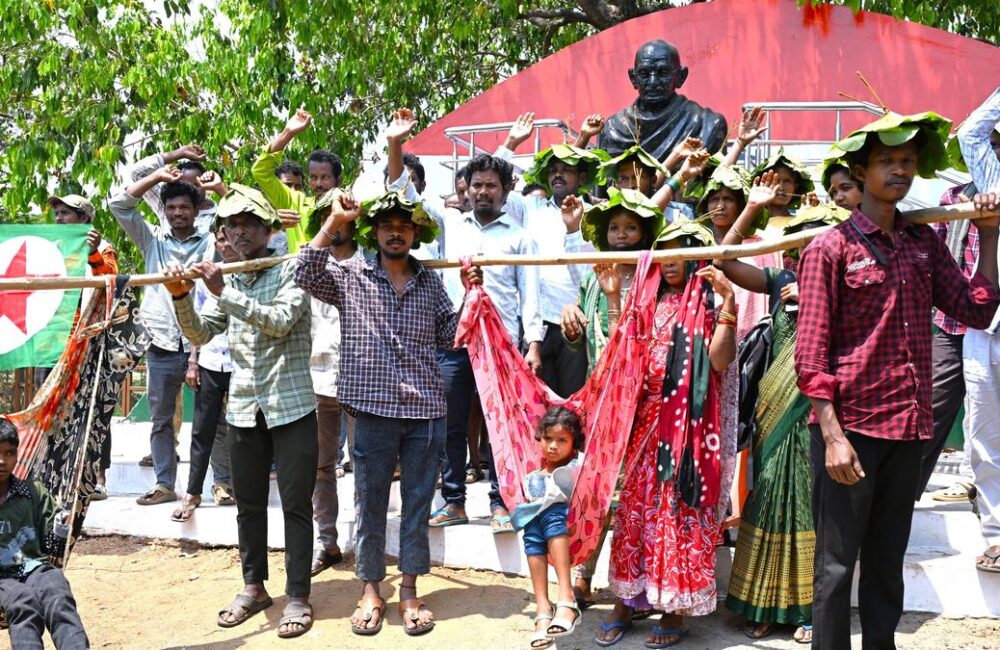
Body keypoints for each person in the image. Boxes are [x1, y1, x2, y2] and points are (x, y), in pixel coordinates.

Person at [795, 110, 1000, 650]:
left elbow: (975, 310)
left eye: (907, 161)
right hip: (852, 434)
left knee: (888, 564)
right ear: (860, 173)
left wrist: (990, 238)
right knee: (837, 570)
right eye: (887, 161)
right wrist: (833, 436)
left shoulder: (923, 243)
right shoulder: (830, 249)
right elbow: (811, 358)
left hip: (907, 431)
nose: (900, 170)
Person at [295, 189, 455, 637]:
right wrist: (334, 219)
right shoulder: (348, 276)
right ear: (375, 232)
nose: (396, 232)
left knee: (418, 504)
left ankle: (408, 589)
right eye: (387, 225)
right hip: (371, 410)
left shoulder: (431, 283)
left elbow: (449, 337)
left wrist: (476, 288)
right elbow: (303, 272)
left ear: (415, 233)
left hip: (426, 409)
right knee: (370, 505)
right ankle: (370, 589)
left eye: (405, 226)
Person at [165, 184, 316, 639]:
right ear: (224, 236)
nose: (240, 234)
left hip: (292, 408)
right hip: (245, 409)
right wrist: (180, 296)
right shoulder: (227, 279)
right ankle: (254, 587)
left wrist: (221, 291)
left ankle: (298, 595)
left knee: (295, 507)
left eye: (249, 225)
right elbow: (199, 334)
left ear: (269, 231)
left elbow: (278, 322)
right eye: (232, 227)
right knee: (248, 507)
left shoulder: (290, 270)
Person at [716, 173, 849, 644]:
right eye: (798, 245)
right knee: (769, 493)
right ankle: (763, 601)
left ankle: (811, 608)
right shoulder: (781, 280)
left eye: (815, 242)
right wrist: (751, 208)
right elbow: (726, 260)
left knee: (814, 507)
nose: (805, 253)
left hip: (820, 410)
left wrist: (818, 299)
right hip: (776, 407)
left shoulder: (851, 280)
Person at [601, 217, 737, 648]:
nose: (671, 260)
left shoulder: (709, 306)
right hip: (644, 425)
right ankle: (626, 601)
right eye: (665, 250)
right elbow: (622, 354)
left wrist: (729, 301)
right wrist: (612, 299)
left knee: (675, 515)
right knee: (635, 515)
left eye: (682, 250)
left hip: (687, 430)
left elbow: (717, 363)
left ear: (697, 258)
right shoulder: (647, 303)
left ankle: (673, 609)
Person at [110, 166, 214, 507]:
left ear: (196, 210)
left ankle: (223, 483)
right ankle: (164, 483)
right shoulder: (152, 243)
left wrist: (221, 188)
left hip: (207, 340)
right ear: (165, 211)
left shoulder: (212, 240)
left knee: (217, 417)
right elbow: (119, 206)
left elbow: (239, 215)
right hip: (163, 344)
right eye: (171, 208)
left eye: (184, 207)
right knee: (161, 420)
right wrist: (157, 179)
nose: (178, 213)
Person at [920, 118, 1000, 505]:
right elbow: (936, 256)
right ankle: (902, 494)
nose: (996, 154)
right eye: (993, 146)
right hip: (955, 322)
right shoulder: (955, 198)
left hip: (992, 323)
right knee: (931, 409)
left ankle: (984, 505)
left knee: (988, 421)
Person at [300, 191, 364, 577]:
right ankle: (327, 543)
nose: (337, 222)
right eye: (329, 216)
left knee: (364, 463)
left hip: (361, 377)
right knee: (320, 466)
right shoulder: (310, 262)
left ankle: (366, 545)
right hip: (316, 375)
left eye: (342, 216)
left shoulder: (370, 263)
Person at [41, 193, 119, 501]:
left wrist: (90, 255)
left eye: (66, 213)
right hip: (53, 343)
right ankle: (50, 470)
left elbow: (112, 282)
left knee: (93, 409)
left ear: (85, 219)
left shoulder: (103, 247)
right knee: (49, 406)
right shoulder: (48, 249)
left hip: (88, 342)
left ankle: (97, 477)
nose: (59, 218)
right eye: (57, 213)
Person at [956, 87, 1000, 574]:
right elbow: (971, 131)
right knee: (984, 438)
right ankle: (997, 537)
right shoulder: (994, 177)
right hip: (986, 325)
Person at [169, 228, 240, 523]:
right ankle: (192, 493)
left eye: (230, 238)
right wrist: (193, 362)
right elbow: (197, 325)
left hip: (241, 366)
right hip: (211, 361)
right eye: (221, 240)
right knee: (202, 430)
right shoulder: (203, 279)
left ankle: (236, 487)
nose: (226, 245)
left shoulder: (251, 274)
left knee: (242, 430)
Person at [0, 417, 89, 650]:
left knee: (57, 590)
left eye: (9, 453)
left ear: (18, 455)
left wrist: (60, 529)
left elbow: (51, 546)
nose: (2, 460)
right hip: (1, 579)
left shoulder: (32, 492)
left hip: (33, 568)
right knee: (23, 601)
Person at [512, 406, 585, 649]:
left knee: (552, 515)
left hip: (568, 526)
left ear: (574, 443)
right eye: (548, 439)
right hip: (540, 530)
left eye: (561, 440)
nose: (553, 445)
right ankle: (542, 606)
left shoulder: (577, 467)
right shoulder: (533, 476)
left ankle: (567, 599)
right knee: (531, 529)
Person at [599, 40, 727, 159]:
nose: (653, 82)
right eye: (644, 74)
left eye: (663, 72)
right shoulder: (614, 129)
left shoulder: (706, 124)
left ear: (681, 77)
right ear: (633, 78)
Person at [252, 107, 343, 252]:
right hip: (302, 273)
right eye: (313, 178)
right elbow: (260, 171)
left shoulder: (348, 207)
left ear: (339, 181)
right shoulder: (295, 203)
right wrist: (288, 133)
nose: (318, 184)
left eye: (325, 177)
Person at [130, 144, 226, 231]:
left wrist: (220, 188)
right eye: (186, 185)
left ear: (206, 184)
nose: (192, 190)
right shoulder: (165, 204)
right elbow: (137, 173)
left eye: (197, 184)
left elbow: (240, 220)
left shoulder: (219, 213)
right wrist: (180, 153)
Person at [751, 149, 816, 229]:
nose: (780, 187)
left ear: (795, 188)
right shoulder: (749, 224)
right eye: (776, 180)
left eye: (787, 181)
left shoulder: (801, 223)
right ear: (764, 182)